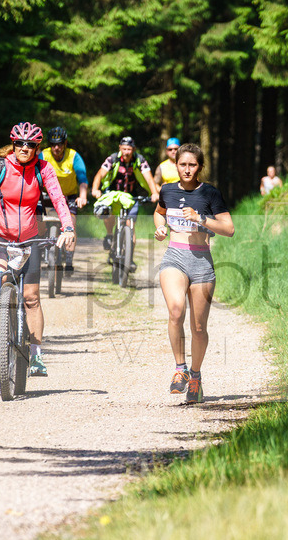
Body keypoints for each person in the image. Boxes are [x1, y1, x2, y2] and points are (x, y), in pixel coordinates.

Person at [0, 121, 77, 377]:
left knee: (31, 298)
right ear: (13, 144)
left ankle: (36, 356)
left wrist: (67, 228)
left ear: (37, 147)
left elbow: (58, 199)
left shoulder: (44, 169)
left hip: (29, 237)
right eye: (19, 143)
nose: (24, 148)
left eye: (30, 144)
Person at [153, 143, 235, 403]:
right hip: (174, 256)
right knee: (176, 310)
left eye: (192, 165)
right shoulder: (166, 190)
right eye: (182, 164)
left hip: (201, 262)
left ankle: (196, 378)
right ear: (175, 165)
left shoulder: (210, 193)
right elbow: (159, 213)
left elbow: (229, 229)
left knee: (199, 327)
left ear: (200, 167)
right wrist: (161, 229)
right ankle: (180, 370)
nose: (187, 170)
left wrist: (201, 219)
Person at [90, 136, 160, 252]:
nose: (126, 152)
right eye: (124, 149)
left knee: (130, 226)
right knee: (108, 212)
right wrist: (95, 189)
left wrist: (154, 193)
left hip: (131, 196)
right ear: (120, 148)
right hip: (113, 193)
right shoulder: (113, 159)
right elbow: (99, 175)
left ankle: (129, 256)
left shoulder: (139, 160)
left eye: (129, 149)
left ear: (134, 149)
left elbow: (149, 178)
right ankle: (109, 234)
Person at [41, 126, 88, 274]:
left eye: (60, 144)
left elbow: (82, 180)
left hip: (69, 196)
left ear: (65, 143)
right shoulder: (43, 155)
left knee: (71, 224)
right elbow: (35, 177)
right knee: (40, 222)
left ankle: (68, 257)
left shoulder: (73, 156)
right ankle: (42, 247)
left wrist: (83, 196)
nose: (56, 147)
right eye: (53, 144)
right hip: (48, 195)